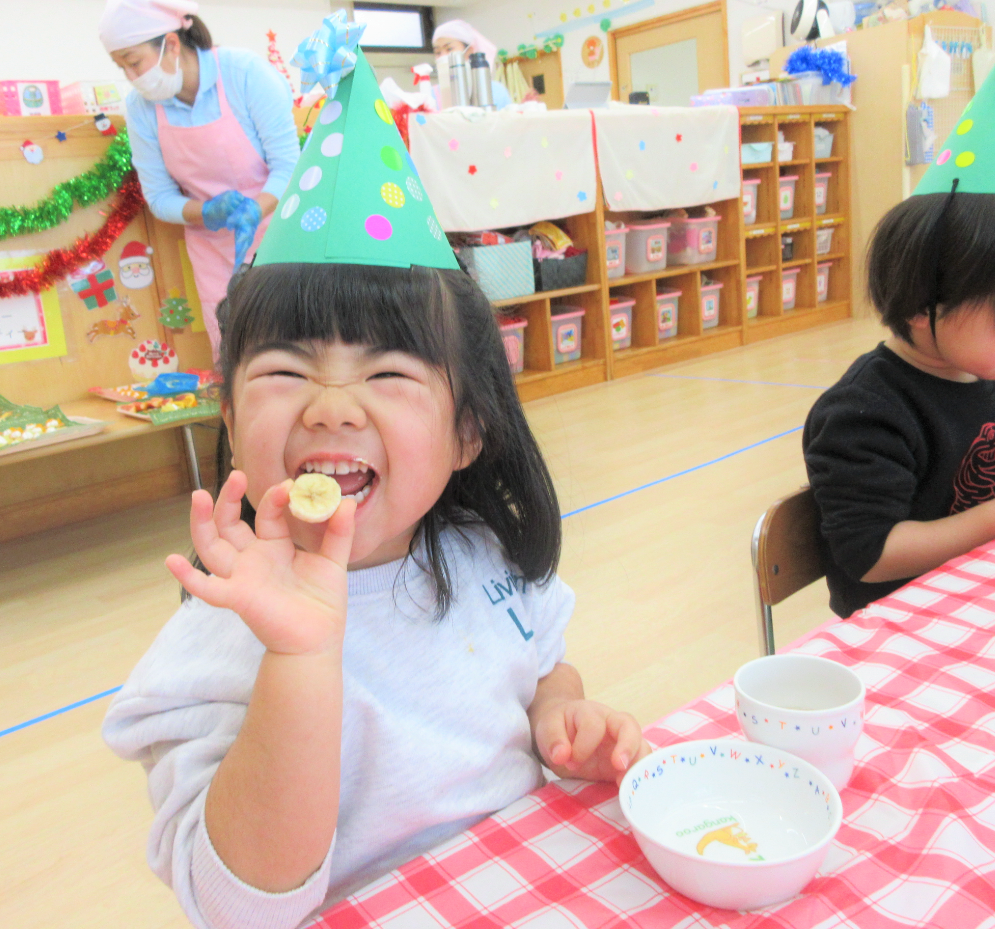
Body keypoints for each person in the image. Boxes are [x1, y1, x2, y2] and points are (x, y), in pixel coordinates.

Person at [103, 19, 650, 929]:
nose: (331, 406)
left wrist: (564, 716)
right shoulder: (218, 639)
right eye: (284, 370)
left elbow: (539, 665)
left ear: (469, 431)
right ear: (232, 419)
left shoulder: (478, 555)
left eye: (388, 374)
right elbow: (242, 906)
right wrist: (300, 650)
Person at [803, 39, 995, 618]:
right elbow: (869, 555)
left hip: (993, 597)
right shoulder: (865, 413)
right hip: (907, 626)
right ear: (922, 302)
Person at [99, 0, 300, 358]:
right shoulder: (141, 107)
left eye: (134, 62)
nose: (132, 77)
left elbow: (291, 168)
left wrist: (257, 208)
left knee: (292, 347)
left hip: (282, 236)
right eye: (122, 67)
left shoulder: (244, 73)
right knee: (235, 357)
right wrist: (206, 211)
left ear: (172, 44)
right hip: (212, 251)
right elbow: (159, 197)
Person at [432, 19, 514, 109]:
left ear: (469, 51)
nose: (443, 56)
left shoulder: (496, 90)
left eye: (449, 49)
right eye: (438, 52)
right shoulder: (432, 95)